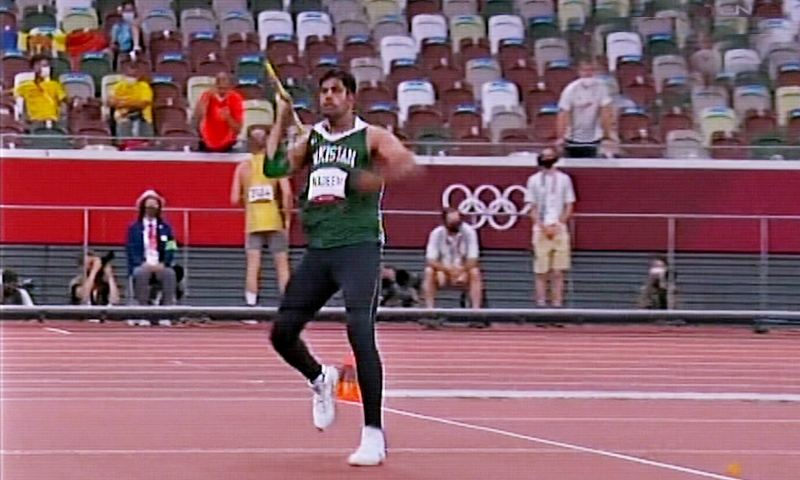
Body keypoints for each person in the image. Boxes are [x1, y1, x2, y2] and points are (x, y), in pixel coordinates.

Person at [263, 69, 418, 466]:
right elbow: (274, 169)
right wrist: (281, 120)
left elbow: (405, 164)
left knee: (360, 331)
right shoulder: (311, 139)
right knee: (282, 333)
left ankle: (373, 435)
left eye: (336, 91)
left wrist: (367, 179)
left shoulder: (370, 136)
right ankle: (320, 378)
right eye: (324, 91)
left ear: (350, 97)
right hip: (320, 249)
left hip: (359, 246)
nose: (328, 97)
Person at [230, 125, 293, 305]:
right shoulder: (275, 164)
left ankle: (251, 306)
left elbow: (234, 198)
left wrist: (248, 203)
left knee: (253, 265)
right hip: (274, 219)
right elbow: (287, 194)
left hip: (253, 221)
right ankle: (288, 306)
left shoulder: (243, 167)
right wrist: (287, 219)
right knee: (282, 264)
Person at [525, 147, 576, 307]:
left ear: (555, 158)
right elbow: (531, 207)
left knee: (558, 272)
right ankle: (541, 306)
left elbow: (569, 205)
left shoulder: (564, 179)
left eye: (549, 156)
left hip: (559, 230)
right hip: (540, 230)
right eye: (543, 156)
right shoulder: (533, 180)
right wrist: (541, 226)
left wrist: (559, 224)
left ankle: (557, 306)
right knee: (541, 272)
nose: (546, 159)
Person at [422, 207, 483, 309]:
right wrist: (447, 270)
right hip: (443, 272)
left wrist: (462, 270)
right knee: (429, 271)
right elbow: (430, 259)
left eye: (458, 222)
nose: (456, 225)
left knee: (475, 272)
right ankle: (429, 311)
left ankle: (476, 312)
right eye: (452, 222)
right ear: (445, 222)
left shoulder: (469, 232)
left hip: (463, 271)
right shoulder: (436, 234)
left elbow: (473, 259)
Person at [556, 58, 617, 158]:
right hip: (572, 139)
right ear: (579, 72)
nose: (588, 73)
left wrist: (607, 136)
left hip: (595, 138)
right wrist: (561, 137)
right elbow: (563, 115)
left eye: (591, 70)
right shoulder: (570, 89)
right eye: (585, 70)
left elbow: (606, 113)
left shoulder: (602, 88)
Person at [126, 190, 178, 305]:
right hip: (142, 265)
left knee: (169, 274)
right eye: (148, 205)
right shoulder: (134, 228)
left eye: (154, 205)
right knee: (140, 274)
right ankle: (143, 311)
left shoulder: (167, 227)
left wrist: (164, 263)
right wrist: (141, 263)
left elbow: (172, 247)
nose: (151, 209)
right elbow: (131, 249)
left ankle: (166, 311)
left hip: (160, 265)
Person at [194, 71, 244, 152]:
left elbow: (238, 130)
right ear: (215, 86)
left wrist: (228, 118)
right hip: (206, 143)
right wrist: (206, 100)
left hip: (227, 145)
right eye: (220, 88)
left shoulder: (236, 99)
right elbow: (199, 117)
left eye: (225, 89)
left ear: (230, 88)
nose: (222, 92)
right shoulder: (207, 95)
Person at [13, 55, 67, 123]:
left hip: (53, 121)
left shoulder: (55, 84)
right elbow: (14, 96)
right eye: (40, 65)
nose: (44, 68)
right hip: (34, 121)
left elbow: (63, 101)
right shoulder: (25, 85)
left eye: (46, 65)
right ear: (33, 68)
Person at [108, 62, 153, 139]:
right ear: (124, 75)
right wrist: (133, 102)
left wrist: (123, 102)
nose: (131, 78)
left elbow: (142, 104)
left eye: (134, 75)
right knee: (123, 123)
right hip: (123, 115)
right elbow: (111, 102)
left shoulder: (144, 86)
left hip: (142, 116)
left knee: (144, 131)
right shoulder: (118, 86)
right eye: (129, 75)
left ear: (138, 76)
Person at [109, 0, 141, 65]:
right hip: (121, 52)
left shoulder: (139, 26)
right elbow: (113, 43)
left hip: (136, 52)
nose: (128, 14)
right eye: (126, 11)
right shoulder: (117, 26)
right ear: (122, 12)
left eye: (130, 11)